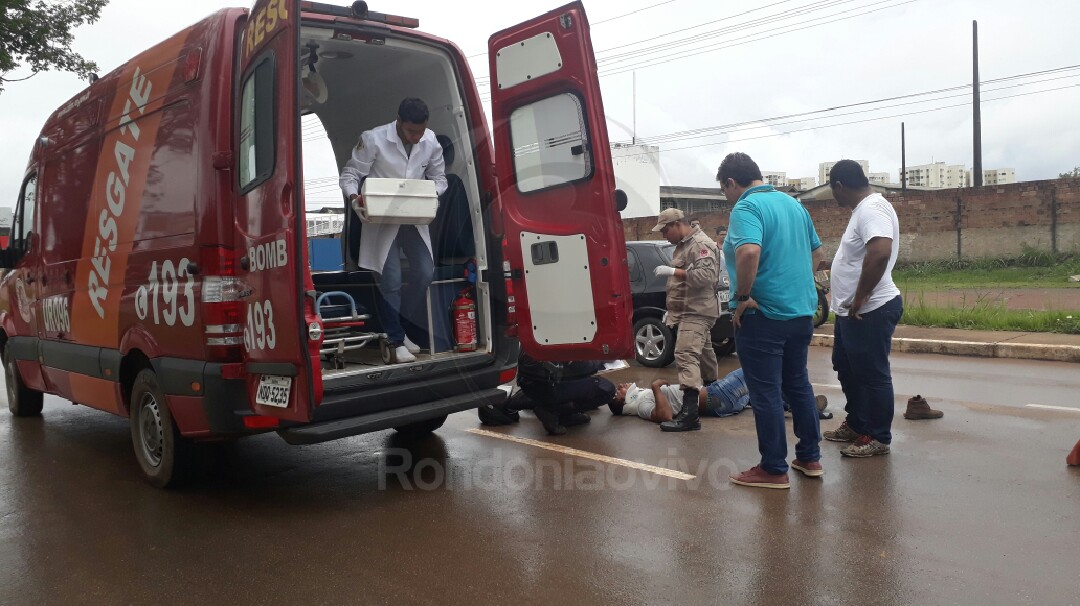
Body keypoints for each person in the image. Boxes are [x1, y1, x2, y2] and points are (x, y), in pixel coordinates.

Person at [719, 152, 824, 490]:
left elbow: (748, 251)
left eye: (724, 190)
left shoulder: (746, 207)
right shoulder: (795, 205)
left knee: (765, 392)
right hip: (800, 313)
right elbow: (818, 254)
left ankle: (773, 468)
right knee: (798, 384)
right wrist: (794, 286)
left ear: (731, 182)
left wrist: (742, 298)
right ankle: (809, 457)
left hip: (763, 315)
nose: (726, 197)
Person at [339, 97, 447, 363]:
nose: (416, 137)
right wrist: (354, 198)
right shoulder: (373, 139)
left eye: (420, 131)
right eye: (411, 131)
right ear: (398, 121)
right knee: (392, 280)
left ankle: (398, 326)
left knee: (424, 273)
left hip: (413, 218)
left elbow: (440, 179)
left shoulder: (431, 141)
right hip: (382, 219)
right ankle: (395, 340)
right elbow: (350, 175)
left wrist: (429, 193)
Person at [820, 159, 903, 458]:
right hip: (852, 311)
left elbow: (880, 252)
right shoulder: (863, 210)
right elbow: (861, 256)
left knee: (872, 374)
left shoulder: (872, 208)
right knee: (846, 367)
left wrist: (860, 297)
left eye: (833, 190)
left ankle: (878, 436)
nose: (834, 196)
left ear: (839, 186)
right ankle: (857, 424)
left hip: (871, 308)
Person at [651, 208, 721, 432]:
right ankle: (715, 398)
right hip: (688, 310)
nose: (664, 237)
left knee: (685, 354)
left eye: (665, 231)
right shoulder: (684, 246)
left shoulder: (700, 244)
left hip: (697, 311)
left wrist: (674, 272)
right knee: (704, 356)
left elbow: (705, 277)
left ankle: (690, 415)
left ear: (677, 224)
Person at [479, 353, 616, 436]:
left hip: (528, 381)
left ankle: (505, 405)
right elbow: (581, 366)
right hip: (549, 384)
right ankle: (555, 411)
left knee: (550, 385)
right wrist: (601, 359)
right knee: (607, 389)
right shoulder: (572, 329)